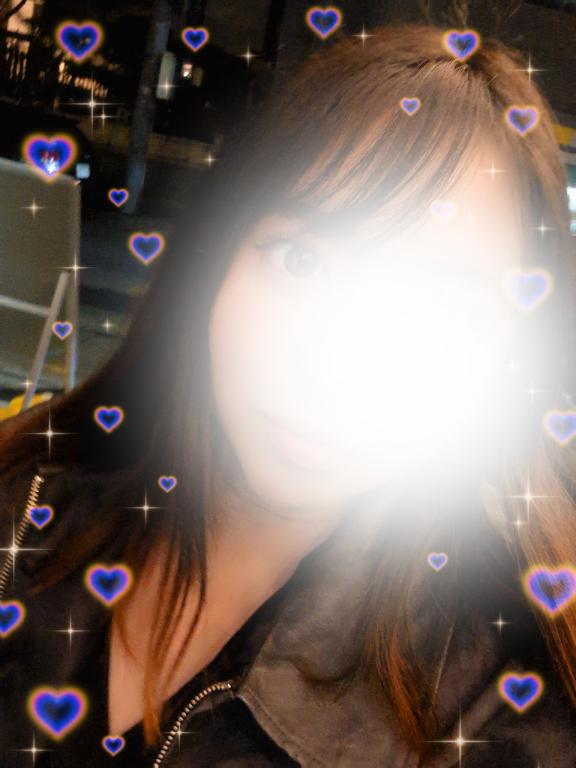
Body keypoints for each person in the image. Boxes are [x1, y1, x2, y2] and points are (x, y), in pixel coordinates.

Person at [1, 21, 576, 768]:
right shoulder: (27, 502)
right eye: (301, 260)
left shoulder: (504, 708)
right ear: (218, 257)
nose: (332, 365)